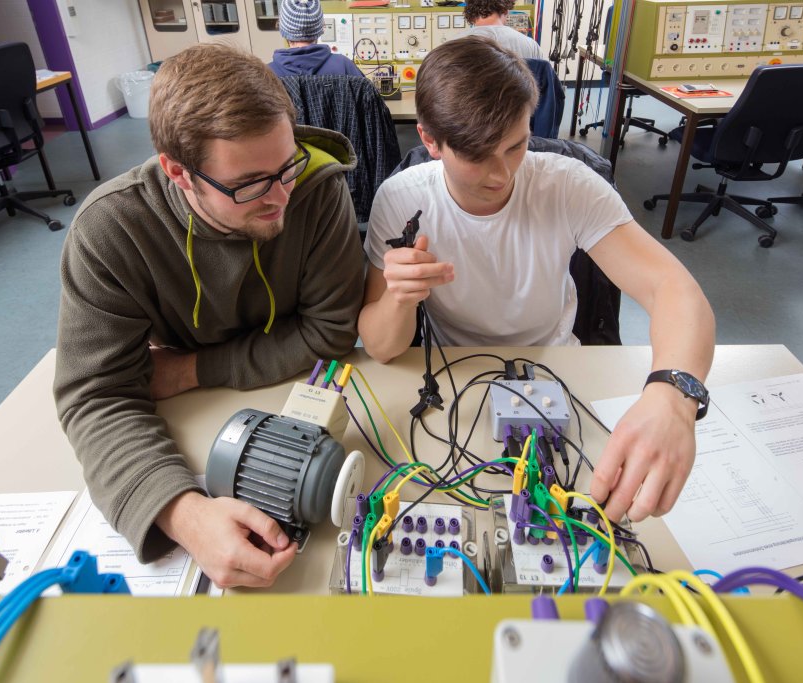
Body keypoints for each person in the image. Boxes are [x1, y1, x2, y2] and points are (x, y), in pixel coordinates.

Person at [359, 37, 715, 526]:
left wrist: (673, 399)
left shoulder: (567, 183)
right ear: (429, 140)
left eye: (516, 145)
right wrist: (400, 297)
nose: (502, 173)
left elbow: (672, 288)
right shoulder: (401, 201)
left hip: (556, 369)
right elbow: (380, 347)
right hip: (452, 380)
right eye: (477, 155)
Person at [53, 44, 364, 589]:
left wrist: (189, 370)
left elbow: (331, 331)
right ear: (179, 172)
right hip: (196, 434)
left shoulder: (316, 188)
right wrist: (185, 514)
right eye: (248, 184)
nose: (280, 197)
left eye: (286, 165)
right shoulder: (111, 231)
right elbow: (97, 394)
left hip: (279, 404)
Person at [268, 0, 362, 77]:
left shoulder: (267, 74)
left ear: (282, 28)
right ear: (321, 28)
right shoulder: (344, 66)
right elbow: (369, 96)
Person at [457, 0, 544, 60]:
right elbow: (544, 83)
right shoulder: (531, 46)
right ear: (505, 9)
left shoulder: (451, 45)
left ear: (469, 11)